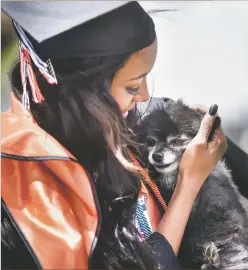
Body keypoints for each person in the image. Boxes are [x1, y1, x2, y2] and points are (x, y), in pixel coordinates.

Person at [1, 1, 246, 269]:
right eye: (132, 86)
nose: (144, 96)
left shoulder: (148, 118)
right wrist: (189, 185)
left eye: (146, 79)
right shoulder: (22, 179)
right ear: (85, 89)